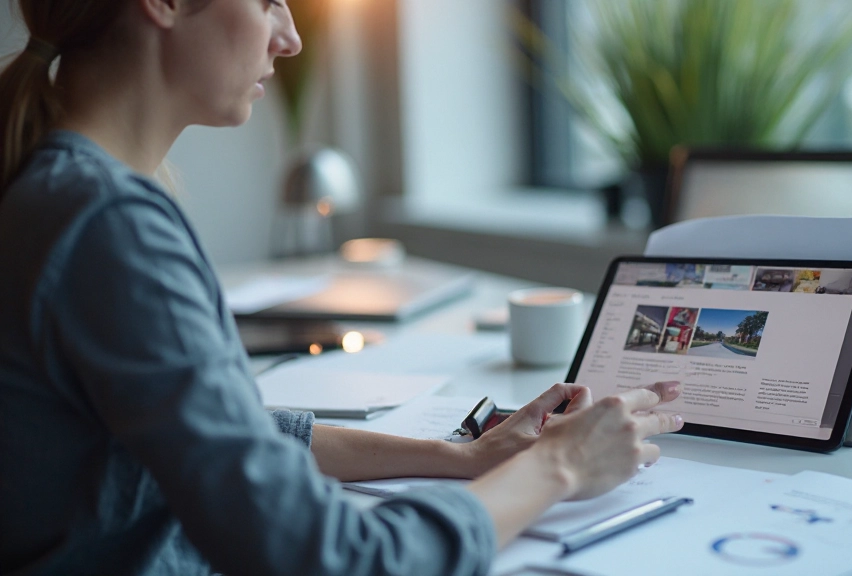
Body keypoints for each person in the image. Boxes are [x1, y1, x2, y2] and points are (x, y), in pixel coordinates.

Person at [0, 1, 685, 574]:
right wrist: (559, 469)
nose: (290, 37)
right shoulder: (107, 225)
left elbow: (216, 434)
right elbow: (333, 558)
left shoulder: (59, 191)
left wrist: (462, 457)